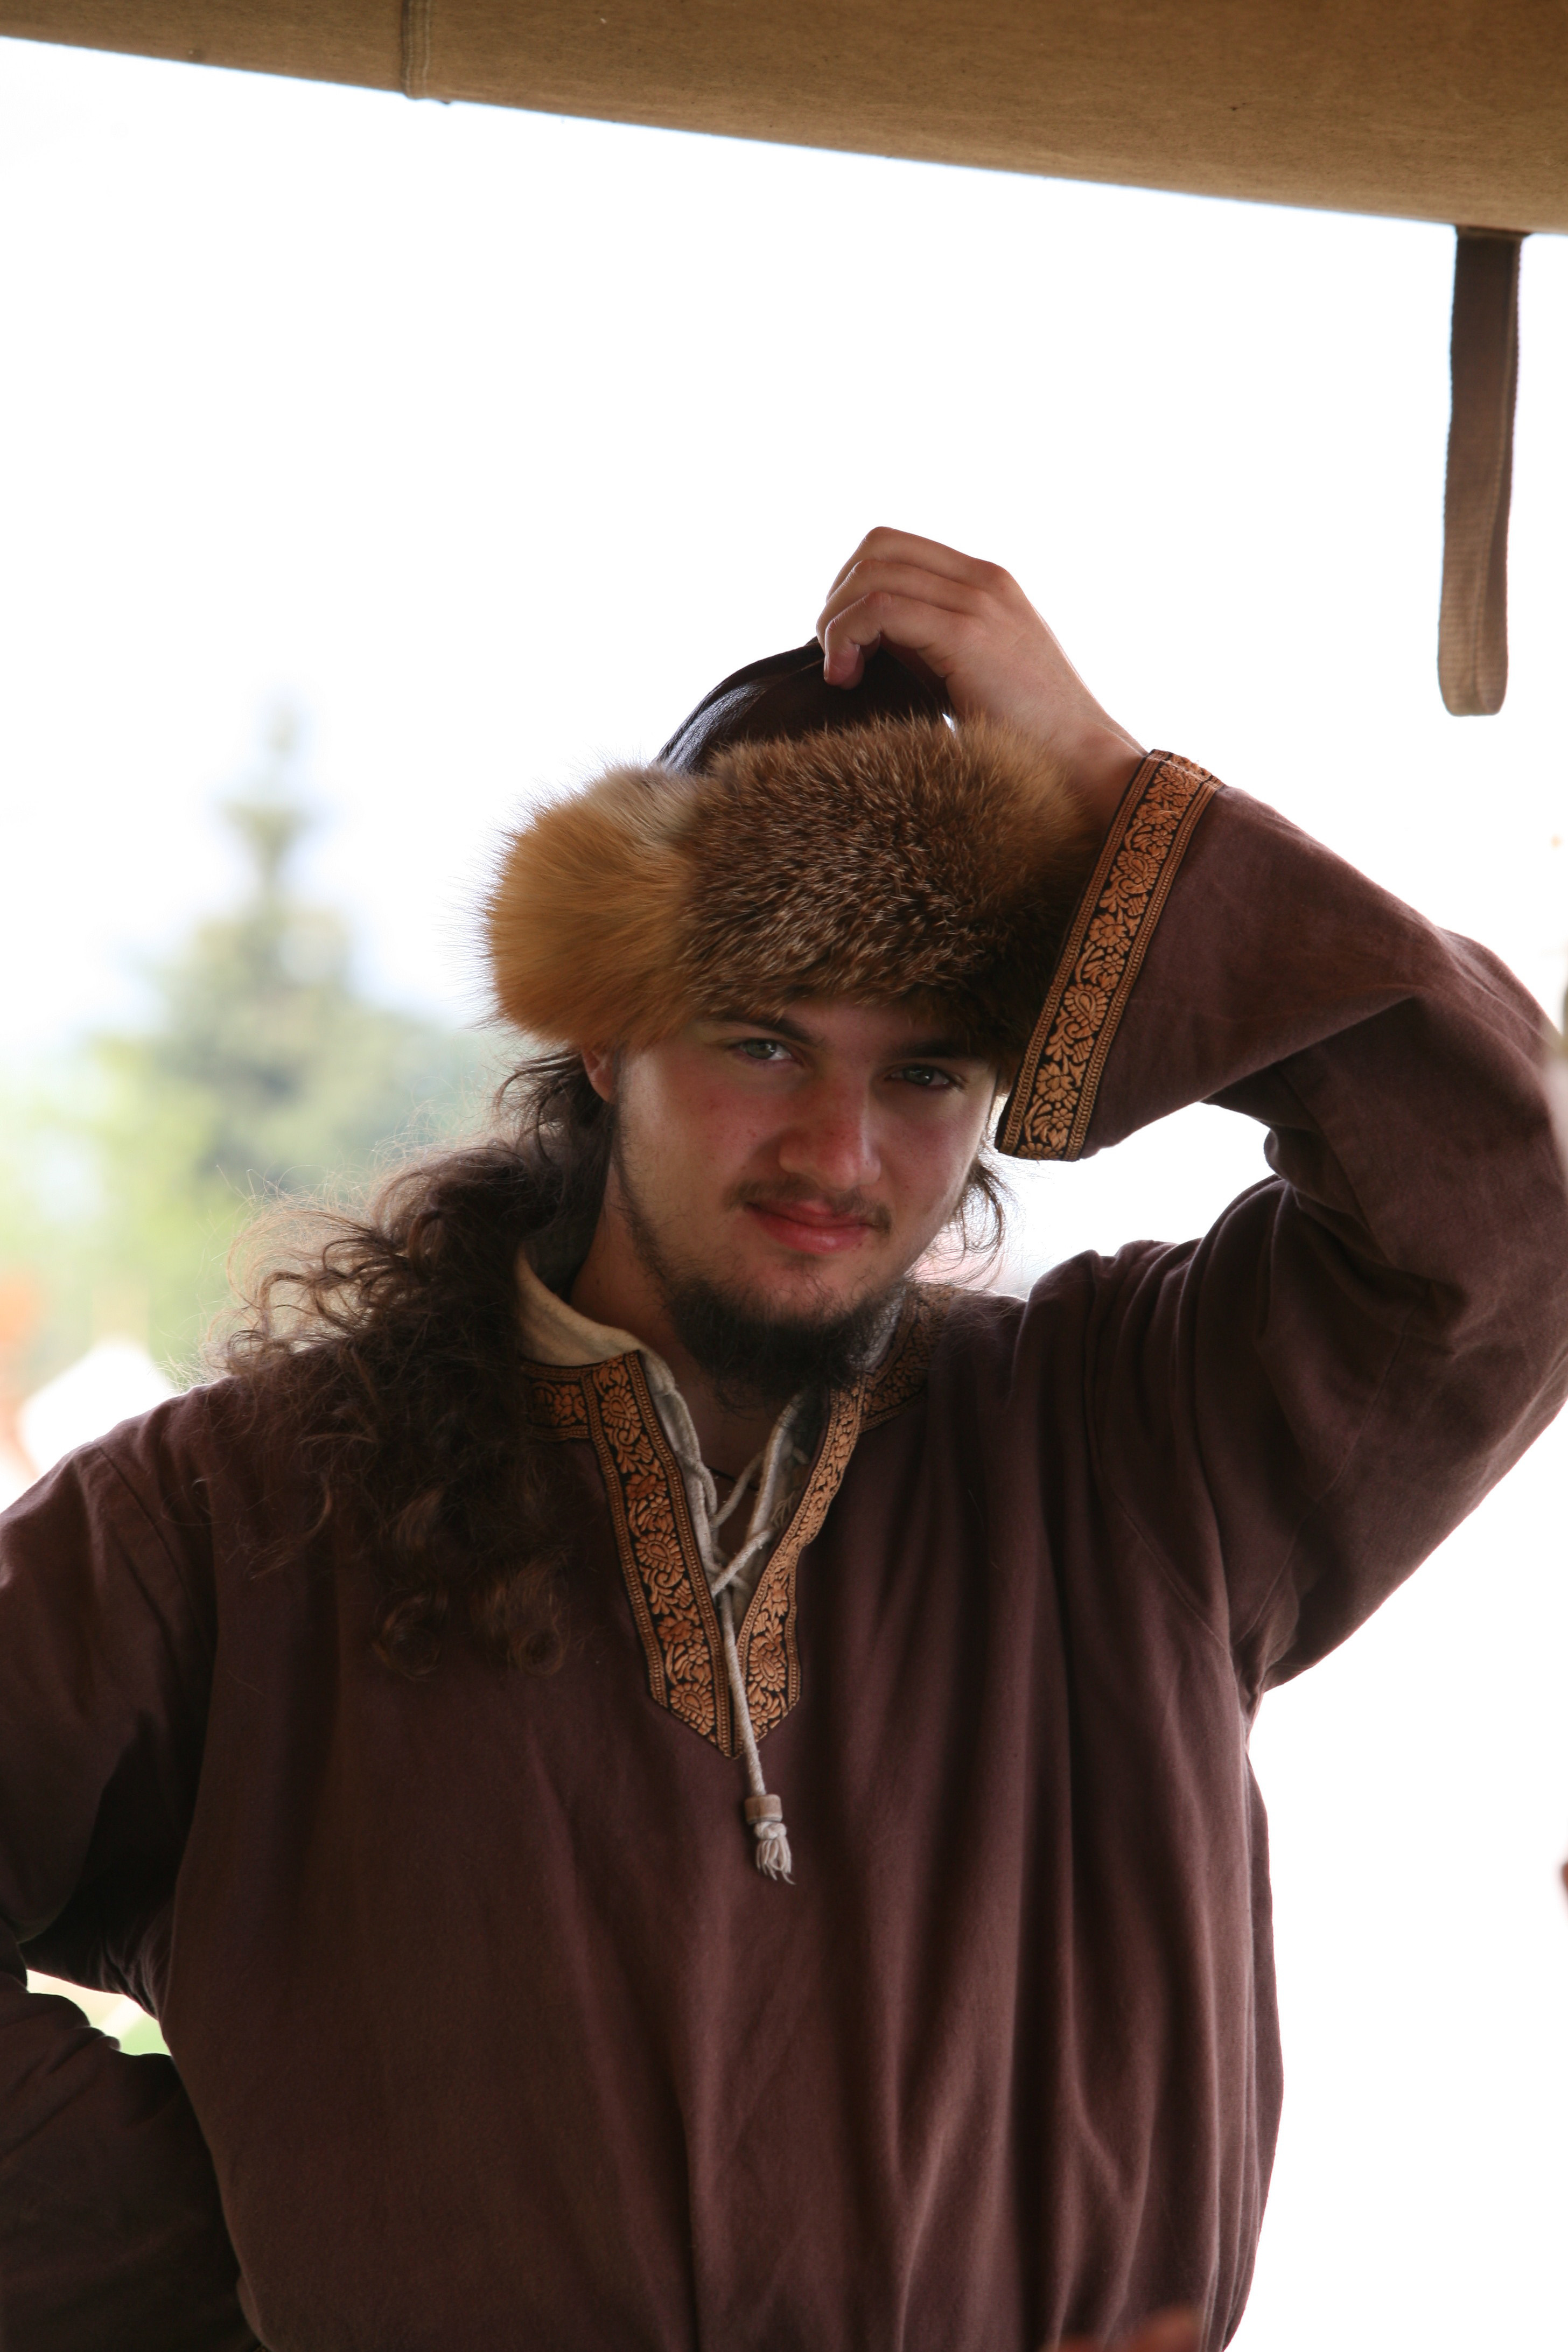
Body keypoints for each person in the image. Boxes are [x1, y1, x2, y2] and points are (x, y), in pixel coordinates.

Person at [3, 529, 1565, 2352]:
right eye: (762, 1040)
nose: (840, 1152)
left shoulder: (1139, 1451)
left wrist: (1111, 789)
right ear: (607, 1038)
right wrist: (232, 2279)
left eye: (925, 1071)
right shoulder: (235, 1516)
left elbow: (1510, 1204)